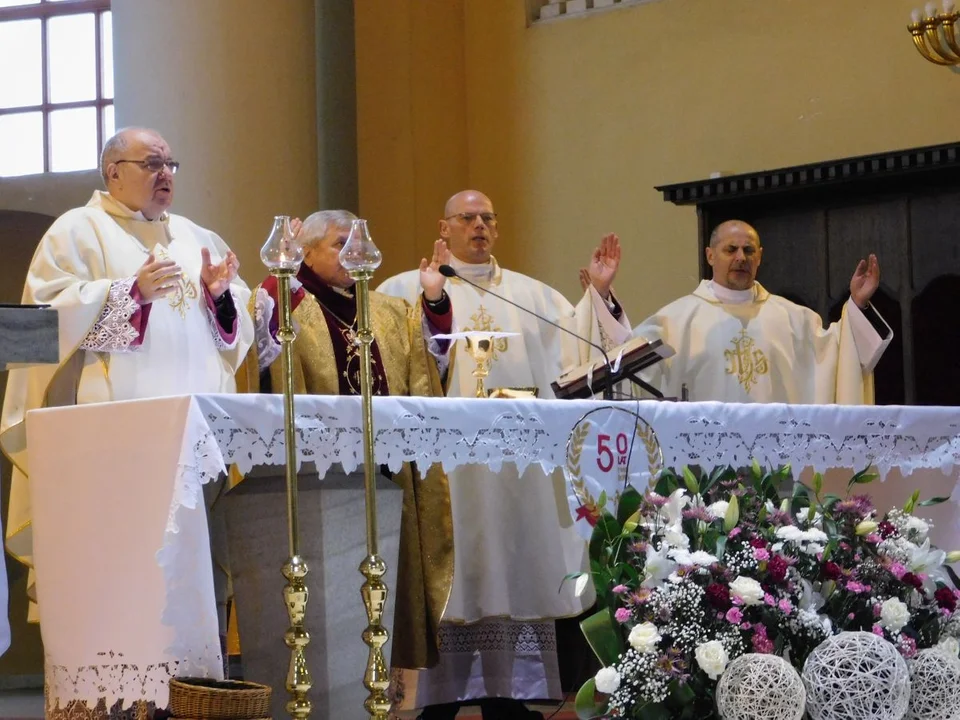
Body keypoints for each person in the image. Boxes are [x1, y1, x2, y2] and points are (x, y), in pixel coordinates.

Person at [377, 190, 632, 720]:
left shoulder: (532, 296)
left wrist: (598, 300)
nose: (479, 225)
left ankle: (509, 695)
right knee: (447, 569)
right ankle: (434, 698)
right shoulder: (401, 290)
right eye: (467, 217)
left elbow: (578, 356)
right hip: (443, 470)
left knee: (508, 567)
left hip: (515, 473)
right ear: (443, 227)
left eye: (487, 218)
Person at [0, 127, 253, 621]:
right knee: (117, 561)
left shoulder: (195, 237)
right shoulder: (76, 230)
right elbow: (46, 323)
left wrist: (222, 298)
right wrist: (127, 294)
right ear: (113, 172)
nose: (166, 174)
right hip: (109, 438)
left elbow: (233, 333)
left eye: (170, 165)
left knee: (186, 569)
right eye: (152, 164)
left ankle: (191, 680)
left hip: (190, 435)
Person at [231, 210, 456, 699]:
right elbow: (262, 359)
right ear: (305, 249)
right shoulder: (285, 303)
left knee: (391, 590)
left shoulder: (390, 310)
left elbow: (428, 370)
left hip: (388, 481)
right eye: (341, 242)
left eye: (362, 240)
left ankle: (387, 695)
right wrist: (280, 270)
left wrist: (435, 301)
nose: (356, 251)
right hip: (319, 483)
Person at [624, 219, 892, 403]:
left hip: (779, 469)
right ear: (710, 255)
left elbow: (840, 352)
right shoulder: (675, 322)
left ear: (760, 257)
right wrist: (603, 300)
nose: (741, 257)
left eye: (749, 250)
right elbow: (620, 366)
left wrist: (857, 304)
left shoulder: (793, 319)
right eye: (731, 249)